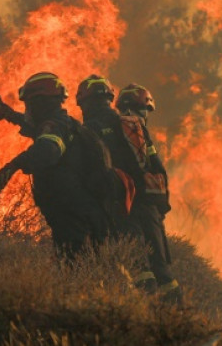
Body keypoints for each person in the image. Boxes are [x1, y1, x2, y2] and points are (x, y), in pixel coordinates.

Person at [77, 76, 181, 303]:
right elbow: (157, 169)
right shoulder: (133, 125)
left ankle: (147, 313)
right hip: (149, 205)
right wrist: (161, 206)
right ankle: (178, 314)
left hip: (121, 204)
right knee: (161, 266)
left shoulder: (88, 130)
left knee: (138, 264)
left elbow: (87, 173)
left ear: (85, 102)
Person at [0, 72, 111, 258]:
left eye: (29, 104)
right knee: (88, 265)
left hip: (73, 215)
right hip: (82, 212)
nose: (28, 110)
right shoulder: (64, 123)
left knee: (74, 265)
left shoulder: (56, 126)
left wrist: (14, 165)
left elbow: (47, 150)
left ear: (40, 103)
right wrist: (10, 115)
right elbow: (37, 130)